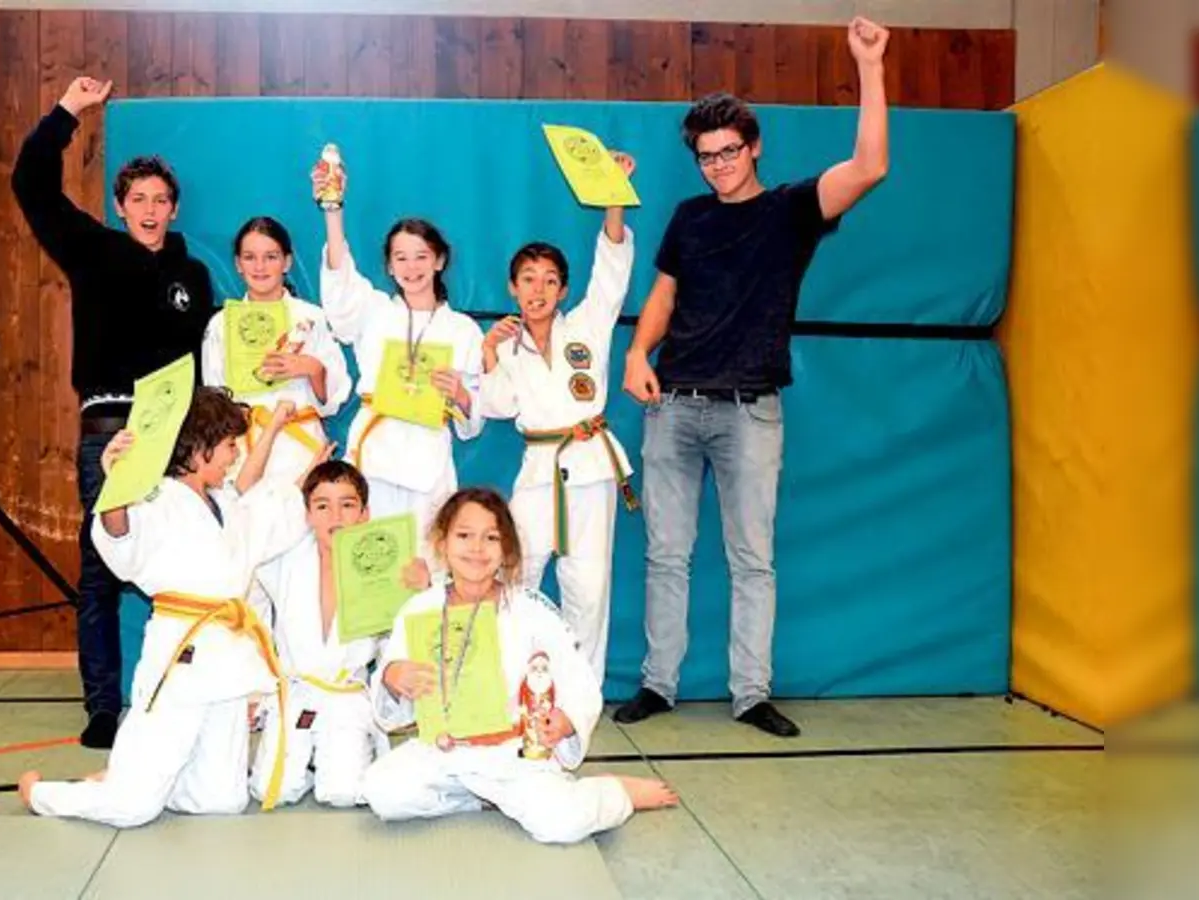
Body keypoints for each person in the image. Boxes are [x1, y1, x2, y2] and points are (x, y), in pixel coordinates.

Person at [612, 17, 891, 736]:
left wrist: (870, 64)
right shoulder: (688, 217)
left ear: (754, 146)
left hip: (750, 411)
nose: (719, 165)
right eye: (707, 156)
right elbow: (665, 297)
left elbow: (869, 167)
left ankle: (751, 693)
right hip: (672, 405)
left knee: (752, 560)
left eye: (730, 151)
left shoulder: (792, 210)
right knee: (665, 554)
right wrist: (638, 354)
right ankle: (658, 684)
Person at [11, 75, 215, 748]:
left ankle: (186, 692)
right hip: (110, 431)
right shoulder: (93, 250)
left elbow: (207, 360)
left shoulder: (194, 278)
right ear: (121, 205)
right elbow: (31, 186)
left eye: (161, 199)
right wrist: (69, 111)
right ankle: (103, 704)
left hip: (178, 437)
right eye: (138, 199)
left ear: (175, 207)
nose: (150, 209)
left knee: (186, 562)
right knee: (102, 569)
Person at [17, 388, 327, 827]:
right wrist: (117, 483)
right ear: (199, 450)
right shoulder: (155, 498)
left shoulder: (224, 504)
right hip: (180, 657)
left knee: (222, 800)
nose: (234, 455)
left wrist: (310, 482)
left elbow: (268, 517)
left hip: (228, 663)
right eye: (229, 447)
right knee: (132, 810)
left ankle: (130, 778)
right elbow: (121, 535)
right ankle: (47, 793)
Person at [360, 488, 679, 845]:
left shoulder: (532, 610)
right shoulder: (419, 610)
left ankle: (614, 793)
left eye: (491, 538)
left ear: (507, 550)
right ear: (442, 542)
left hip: (514, 755)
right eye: (464, 535)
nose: (477, 548)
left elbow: (579, 681)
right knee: (382, 791)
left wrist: (566, 720)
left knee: (562, 825)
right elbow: (393, 689)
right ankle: (483, 798)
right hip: (444, 750)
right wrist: (392, 677)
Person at [479, 149, 639, 684]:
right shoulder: (505, 343)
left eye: (550, 280)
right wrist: (486, 355)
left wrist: (614, 197)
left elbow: (613, 272)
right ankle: (512, 684)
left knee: (589, 587)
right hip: (537, 470)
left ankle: (581, 694)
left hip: (590, 467)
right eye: (528, 279)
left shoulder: (589, 326)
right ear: (512, 287)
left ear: (564, 290)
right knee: (517, 576)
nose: (538, 290)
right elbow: (499, 406)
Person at [312, 158, 486, 555]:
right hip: (375, 455)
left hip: (429, 461)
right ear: (389, 266)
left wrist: (460, 393)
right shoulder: (374, 310)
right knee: (370, 567)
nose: (412, 267)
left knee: (430, 565)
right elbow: (340, 283)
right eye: (401, 258)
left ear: (439, 261)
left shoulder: (463, 330)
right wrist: (332, 210)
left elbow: (473, 421)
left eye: (422, 256)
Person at [247, 459, 428, 808]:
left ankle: (341, 752)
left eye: (347, 505)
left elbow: (402, 640)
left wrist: (422, 590)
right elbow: (250, 521)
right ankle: (307, 758)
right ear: (307, 514)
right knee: (272, 791)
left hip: (345, 694)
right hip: (297, 691)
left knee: (343, 794)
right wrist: (255, 689)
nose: (336, 517)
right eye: (322, 506)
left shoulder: (389, 566)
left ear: (365, 513)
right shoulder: (281, 559)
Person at [202, 216, 353, 490]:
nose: (260, 267)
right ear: (237, 264)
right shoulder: (221, 324)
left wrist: (311, 368)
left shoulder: (311, 317)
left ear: (287, 261)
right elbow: (215, 398)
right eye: (250, 257)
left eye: (271, 257)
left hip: (300, 448)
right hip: (243, 450)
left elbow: (334, 398)